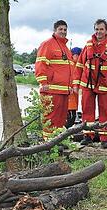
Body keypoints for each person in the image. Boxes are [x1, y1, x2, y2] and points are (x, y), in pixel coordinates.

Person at [35, 20, 74, 140]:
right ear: (54, 30)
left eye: (65, 29)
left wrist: (71, 86)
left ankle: (57, 142)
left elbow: (70, 70)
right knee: (50, 118)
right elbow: (41, 63)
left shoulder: (66, 48)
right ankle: (48, 143)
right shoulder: (48, 44)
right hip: (51, 89)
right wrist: (43, 82)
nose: (63, 31)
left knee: (61, 119)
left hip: (64, 91)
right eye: (60, 29)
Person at [73, 19, 107, 148]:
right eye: (97, 29)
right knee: (87, 110)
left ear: (106, 30)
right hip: (88, 84)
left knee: (105, 111)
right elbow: (79, 65)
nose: (99, 32)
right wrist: (76, 84)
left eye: (101, 29)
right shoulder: (88, 45)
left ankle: (105, 139)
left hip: (104, 84)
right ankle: (88, 136)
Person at [66, 47, 82, 128]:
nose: (76, 57)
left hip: (75, 94)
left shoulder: (78, 65)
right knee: (70, 114)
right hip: (70, 93)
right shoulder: (71, 65)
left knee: (72, 113)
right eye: (75, 55)